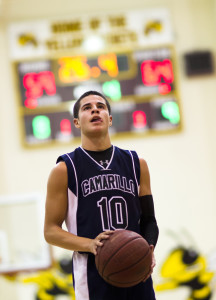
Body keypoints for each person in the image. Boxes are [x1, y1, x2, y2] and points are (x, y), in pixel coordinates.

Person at [44, 90, 159, 300]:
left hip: (136, 274)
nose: (95, 110)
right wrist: (90, 244)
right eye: (87, 108)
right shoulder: (64, 169)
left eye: (101, 106)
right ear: (77, 122)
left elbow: (149, 221)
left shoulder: (137, 164)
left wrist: (148, 248)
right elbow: (50, 231)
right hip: (92, 276)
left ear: (110, 118)